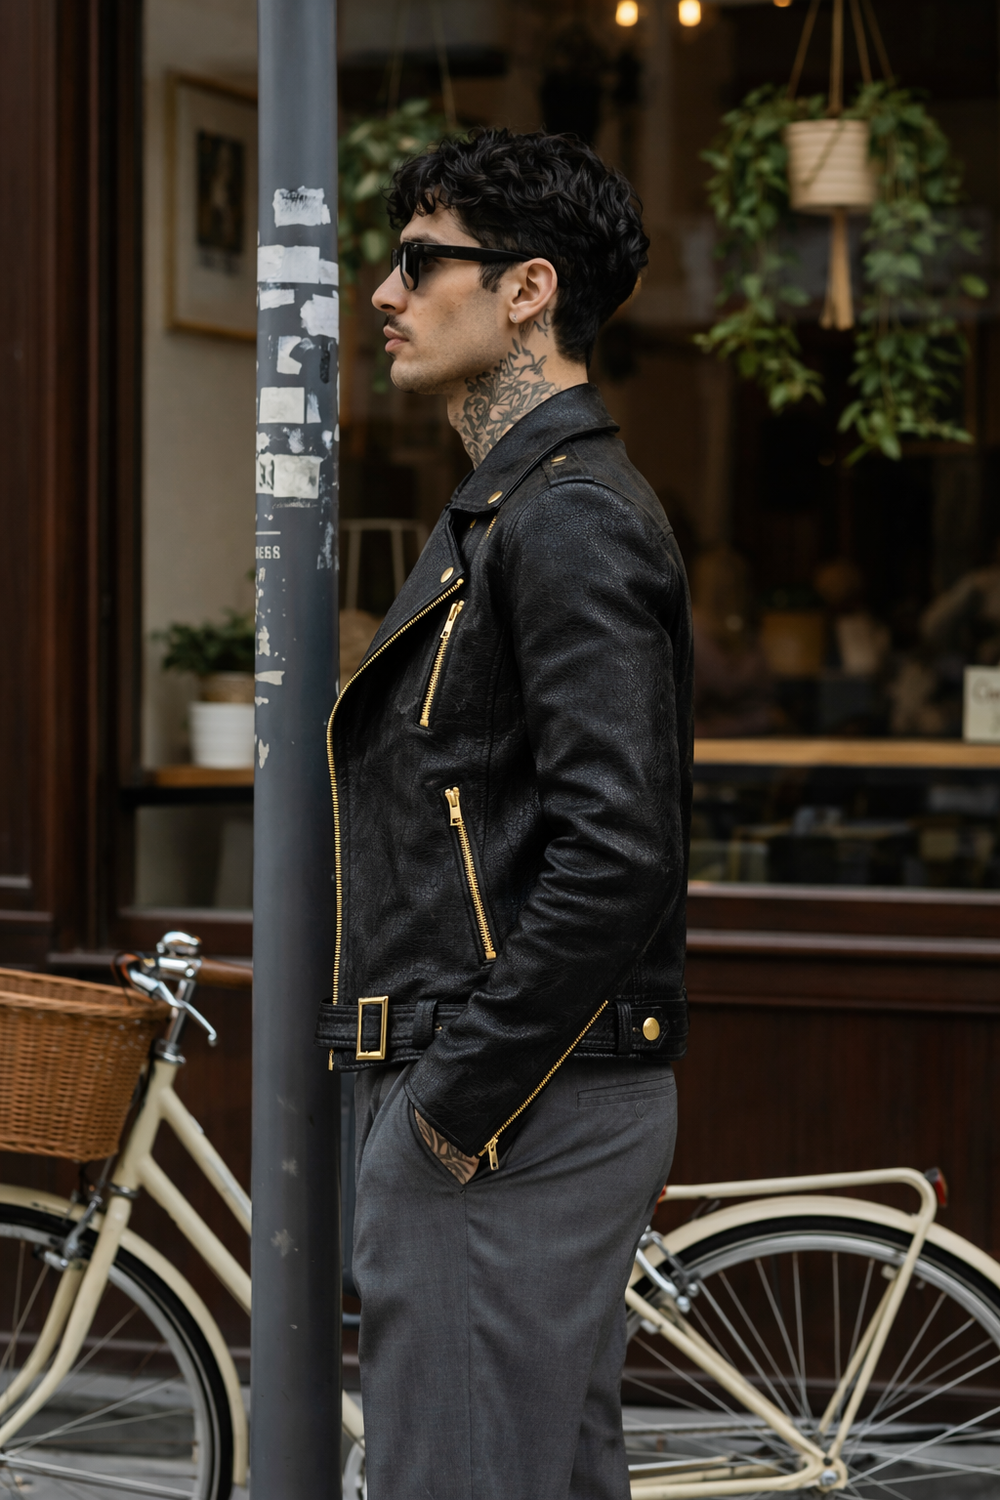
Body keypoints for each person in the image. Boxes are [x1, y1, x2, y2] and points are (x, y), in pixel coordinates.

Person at [315, 127, 693, 1500]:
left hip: (516, 1102)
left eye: (423, 260)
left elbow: (622, 850)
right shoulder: (510, 509)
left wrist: (452, 1104)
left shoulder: (566, 518)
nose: (385, 292)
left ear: (528, 289)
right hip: (515, 1096)